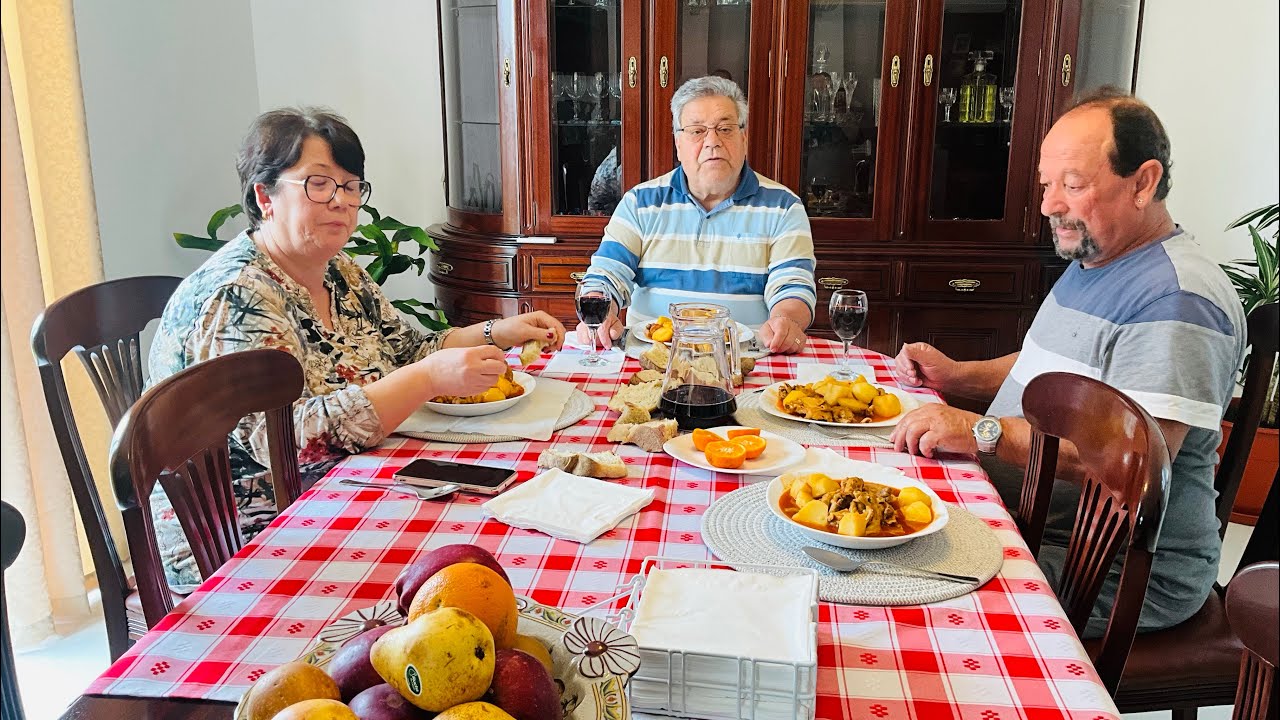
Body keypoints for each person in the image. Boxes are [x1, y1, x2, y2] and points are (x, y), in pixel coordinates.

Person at [148, 108, 566, 588]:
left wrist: (497, 332)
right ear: (265, 196)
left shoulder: (339, 270)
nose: (341, 202)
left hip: (350, 482)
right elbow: (288, 443)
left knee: (512, 522)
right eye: (319, 184)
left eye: (351, 187)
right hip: (245, 535)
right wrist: (429, 377)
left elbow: (408, 349)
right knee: (474, 561)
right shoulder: (237, 293)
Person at [888, 88, 1246, 638]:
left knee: (891, 585)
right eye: (1046, 185)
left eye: (1073, 186)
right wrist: (957, 375)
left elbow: (1130, 466)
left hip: (1115, 570)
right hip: (1032, 520)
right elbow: (1042, 370)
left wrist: (981, 431)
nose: (1050, 204)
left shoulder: (1177, 299)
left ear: (1143, 182)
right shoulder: (1098, 260)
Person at [577, 76, 817, 355]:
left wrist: (785, 320)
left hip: (745, 362)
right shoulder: (640, 203)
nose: (712, 142)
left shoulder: (784, 206)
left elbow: (793, 286)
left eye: (725, 128)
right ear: (678, 142)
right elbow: (606, 275)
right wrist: (599, 312)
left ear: (744, 137)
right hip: (650, 361)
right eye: (697, 131)